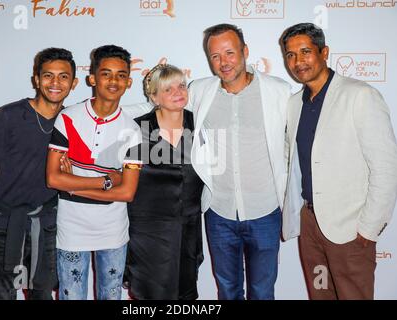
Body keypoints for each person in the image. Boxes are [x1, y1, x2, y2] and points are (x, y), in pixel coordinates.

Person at [123, 23, 291, 300]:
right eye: (215, 56)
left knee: (262, 291)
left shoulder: (278, 91)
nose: (223, 62)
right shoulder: (201, 90)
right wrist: (98, 110)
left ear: (245, 51)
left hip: (265, 210)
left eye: (229, 53)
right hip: (218, 211)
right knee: (227, 289)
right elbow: (160, 104)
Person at [281, 23, 397, 299]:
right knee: (320, 295)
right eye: (291, 55)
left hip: (350, 229)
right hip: (310, 225)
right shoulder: (294, 104)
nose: (298, 61)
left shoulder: (360, 96)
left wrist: (368, 229)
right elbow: (291, 162)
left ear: (324, 52)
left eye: (306, 51)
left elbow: (386, 167)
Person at [0, 48, 78, 300]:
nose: (55, 83)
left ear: (74, 83)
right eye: (48, 76)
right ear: (36, 79)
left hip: (46, 222)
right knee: (2, 294)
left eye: (63, 77)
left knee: (42, 293)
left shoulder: (73, 121)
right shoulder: (9, 116)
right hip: (3, 222)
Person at [46, 45, 142, 300]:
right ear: (92, 78)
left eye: (121, 75)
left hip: (113, 230)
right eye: (106, 73)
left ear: (129, 82)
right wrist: (107, 181)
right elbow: (54, 178)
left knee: (111, 296)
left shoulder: (132, 131)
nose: (113, 81)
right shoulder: (68, 118)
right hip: (71, 228)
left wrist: (73, 186)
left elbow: (128, 192)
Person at [123, 64, 204, 300]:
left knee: (186, 293)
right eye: (168, 89)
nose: (178, 92)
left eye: (181, 85)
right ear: (154, 96)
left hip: (188, 226)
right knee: (152, 294)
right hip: (148, 229)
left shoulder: (199, 124)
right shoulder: (137, 128)